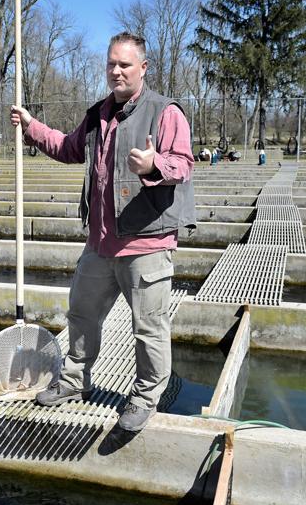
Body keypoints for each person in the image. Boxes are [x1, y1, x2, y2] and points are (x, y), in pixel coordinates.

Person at [10, 32, 195, 432]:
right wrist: (31, 126)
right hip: (100, 242)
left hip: (145, 242)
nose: (116, 71)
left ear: (143, 68)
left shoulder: (165, 111)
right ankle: (75, 382)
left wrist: (153, 165)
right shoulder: (97, 115)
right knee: (82, 313)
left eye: (125, 65)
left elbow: (183, 164)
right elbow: (68, 148)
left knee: (148, 327)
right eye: (111, 63)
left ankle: (145, 398)